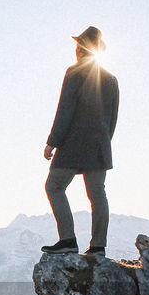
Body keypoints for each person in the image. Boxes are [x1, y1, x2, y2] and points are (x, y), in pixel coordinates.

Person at [40, 26, 119, 256]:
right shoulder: (112, 80)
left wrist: (52, 141)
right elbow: (112, 119)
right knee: (97, 194)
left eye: (78, 45)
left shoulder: (74, 73)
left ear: (83, 49)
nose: (76, 49)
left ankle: (67, 240)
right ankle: (98, 247)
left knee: (54, 186)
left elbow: (65, 109)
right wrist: (103, 143)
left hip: (74, 144)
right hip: (99, 146)